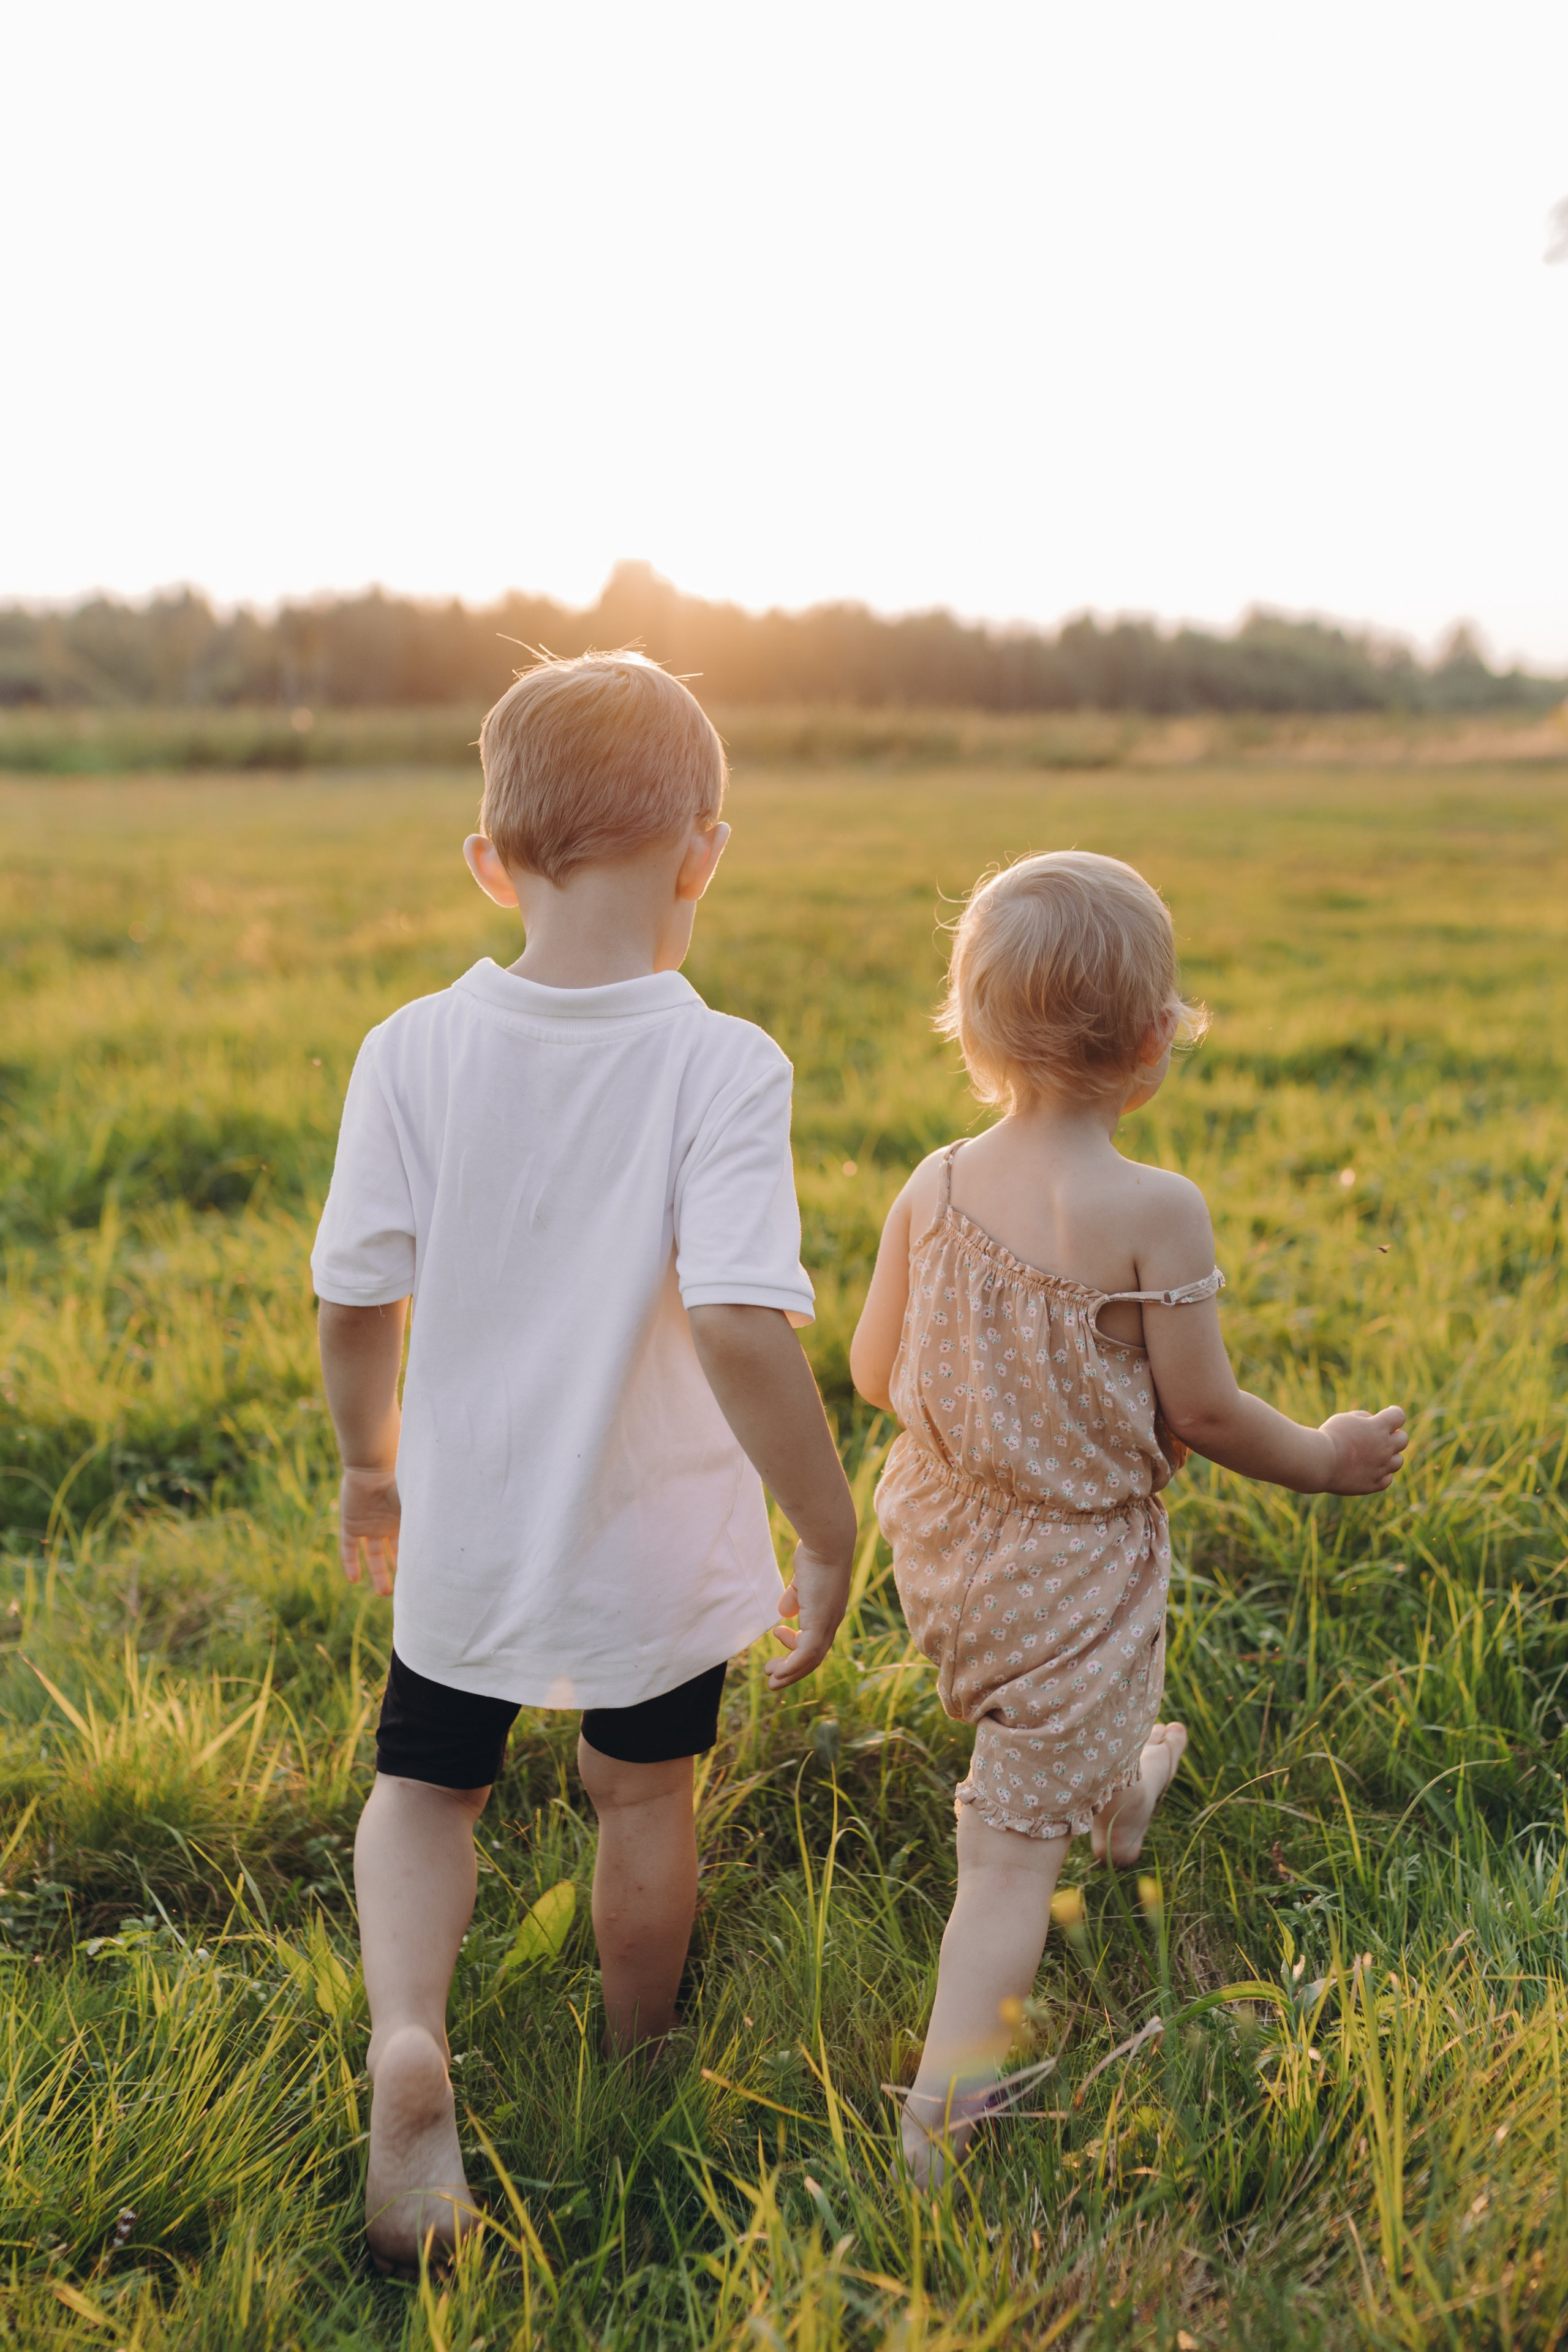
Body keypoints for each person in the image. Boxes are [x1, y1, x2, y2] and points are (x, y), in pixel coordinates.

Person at [312, 652, 856, 2271]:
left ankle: (410, 2037)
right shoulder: (721, 1062)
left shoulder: (409, 1047)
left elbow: (354, 1292)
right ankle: (638, 2059)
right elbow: (747, 1323)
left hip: (467, 1540)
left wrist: (368, 1464)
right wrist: (822, 1527)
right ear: (706, 851)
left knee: (426, 1786)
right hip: (648, 1552)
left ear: (491, 861)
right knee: (643, 1796)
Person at [850, 850, 1406, 2186]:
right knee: (1002, 1859)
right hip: (1069, 1571)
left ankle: (1124, 1787)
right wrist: (1324, 1460)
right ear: (1155, 1045)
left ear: (971, 1032)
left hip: (935, 1548)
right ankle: (942, 2116)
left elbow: (872, 1375)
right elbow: (1204, 1413)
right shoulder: (1155, 1210)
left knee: (1066, 1730)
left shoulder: (929, 1184)